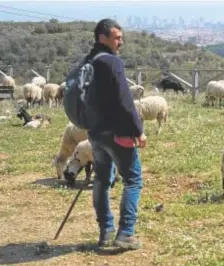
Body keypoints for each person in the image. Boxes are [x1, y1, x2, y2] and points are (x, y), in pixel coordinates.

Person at [85, 18, 147, 250]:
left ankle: (105, 232)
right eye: (117, 38)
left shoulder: (89, 61)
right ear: (103, 38)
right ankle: (126, 234)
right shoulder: (112, 62)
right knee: (133, 180)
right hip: (117, 133)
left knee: (102, 179)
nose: (121, 42)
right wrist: (139, 131)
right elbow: (126, 101)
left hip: (95, 132)